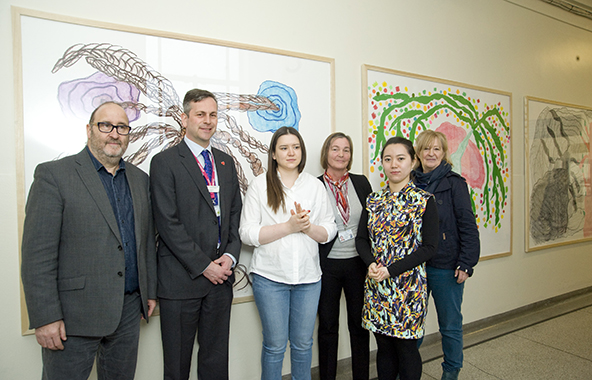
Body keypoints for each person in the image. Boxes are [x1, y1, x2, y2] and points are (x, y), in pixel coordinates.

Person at [21, 101, 157, 380]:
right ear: (89, 130)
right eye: (105, 125)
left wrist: (150, 291)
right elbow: (37, 255)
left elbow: (145, 241)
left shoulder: (139, 179)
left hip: (128, 311)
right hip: (73, 317)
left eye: (122, 127)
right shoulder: (54, 175)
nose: (114, 134)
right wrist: (46, 317)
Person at [150, 89, 242, 380]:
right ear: (184, 117)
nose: (207, 121)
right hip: (181, 282)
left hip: (220, 282)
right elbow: (167, 223)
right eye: (200, 114)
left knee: (216, 363)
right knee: (177, 366)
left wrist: (229, 256)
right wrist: (204, 266)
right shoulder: (164, 162)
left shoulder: (226, 163)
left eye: (213, 115)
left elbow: (235, 216)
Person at [239, 126, 337, 380]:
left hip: (308, 279)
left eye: (296, 147)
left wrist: (307, 228)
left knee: (303, 345)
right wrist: (288, 227)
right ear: (273, 154)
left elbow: (329, 229)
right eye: (284, 148)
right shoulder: (260, 186)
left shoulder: (315, 186)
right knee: (274, 346)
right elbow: (246, 233)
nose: (291, 152)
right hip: (270, 279)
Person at [356, 136, 439, 380]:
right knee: (383, 348)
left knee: (406, 349)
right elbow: (361, 240)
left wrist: (390, 270)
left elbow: (429, 247)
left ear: (413, 162)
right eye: (388, 159)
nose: (394, 164)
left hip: (408, 290)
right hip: (377, 288)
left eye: (401, 159)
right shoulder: (373, 201)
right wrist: (371, 263)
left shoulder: (424, 201)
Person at [413, 130, 480, 380]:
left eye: (437, 149)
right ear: (418, 153)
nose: (431, 153)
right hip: (415, 267)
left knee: (450, 326)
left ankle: (451, 372)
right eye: (426, 149)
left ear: (443, 153)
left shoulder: (454, 183)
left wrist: (466, 262)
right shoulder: (409, 182)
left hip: (446, 266)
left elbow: (467, 225)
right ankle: (408, 370)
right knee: (412, 326)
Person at [317, 132, 372, 380]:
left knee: (359, 325)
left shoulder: (361, 183)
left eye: (346, 150)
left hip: (357, 264)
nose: (341, 154)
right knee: (328, 326)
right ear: (326, 153)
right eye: (335, 149)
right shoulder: (314, 185)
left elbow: (371, 225)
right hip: (326, 265)